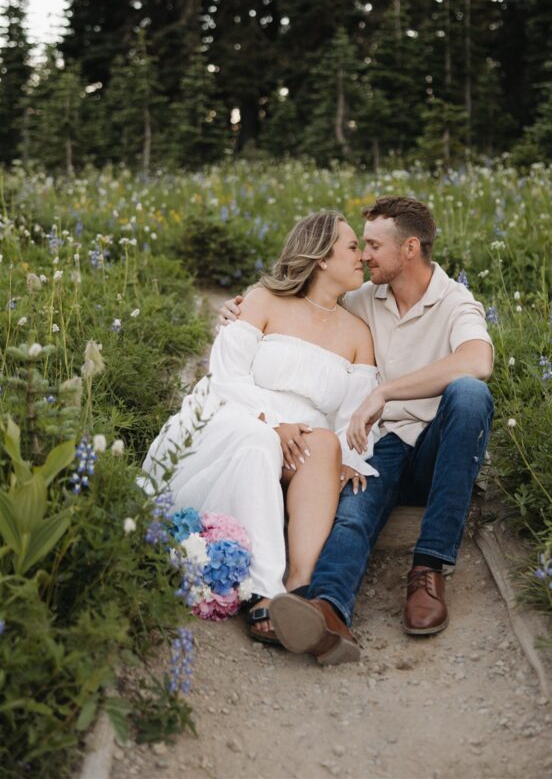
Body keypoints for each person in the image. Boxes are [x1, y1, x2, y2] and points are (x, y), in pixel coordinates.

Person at [220, 196, 494, 665]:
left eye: (372, 246)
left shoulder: (455, 301)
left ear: (409, 248)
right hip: (378, 444)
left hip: (435, 449)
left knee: (470, 396)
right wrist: (242, 306)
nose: (363, 256)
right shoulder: (364, 297)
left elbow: (478, 361)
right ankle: (326, 609)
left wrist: (386, 393)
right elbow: (306, 292)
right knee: (352, 513)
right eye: (359, 246)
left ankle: (427, 569)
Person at [143, 212, 379, 646]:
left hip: (304, 436)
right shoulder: (263, 300)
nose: (361, 256)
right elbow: (226, 376)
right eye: (351, 247)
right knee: (259, 443)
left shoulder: (358, 333)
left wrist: (349, 458)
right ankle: (262, 589)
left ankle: (299, 588)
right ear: (322, 257)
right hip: (239, 413)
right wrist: (272, 421)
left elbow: (353, 415)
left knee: (328, 445)